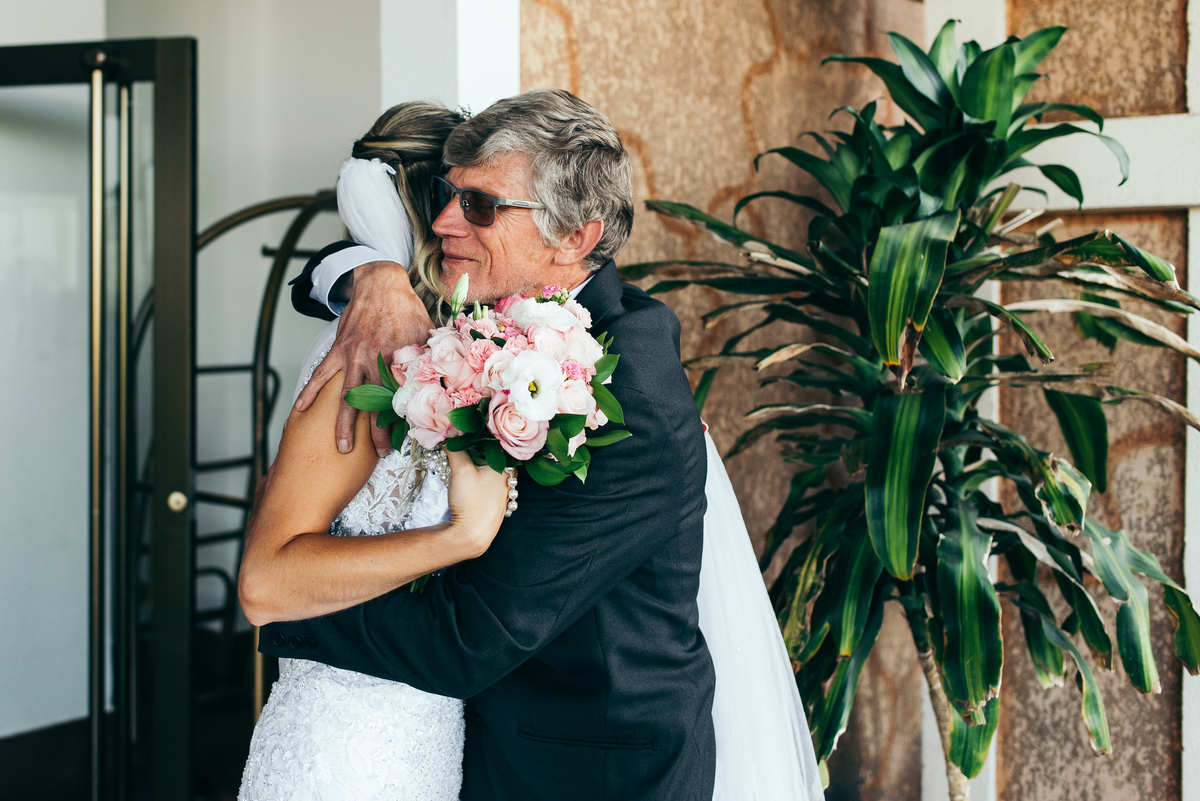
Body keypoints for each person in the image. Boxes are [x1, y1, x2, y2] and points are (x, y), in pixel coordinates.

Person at [252, 89, 823, 800]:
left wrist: (287, 608)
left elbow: (472, 632)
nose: (443, 220)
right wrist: (372, 271)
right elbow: (341, 262)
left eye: (480, 206)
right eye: (445, 193)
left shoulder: (628, 397)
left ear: (575, 237)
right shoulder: (478, 318)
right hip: (475, 748)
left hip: (594, 769)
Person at [237, 101, 513, 799]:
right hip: (340, 752)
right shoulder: (361, 362)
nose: (475, 225)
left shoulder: (461, 355)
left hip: (424, 737)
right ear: (434, 210)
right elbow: (263, 584)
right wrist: (461, 536)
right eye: (470, 204)